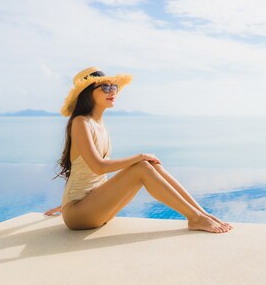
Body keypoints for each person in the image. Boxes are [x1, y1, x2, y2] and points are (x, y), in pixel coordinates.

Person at [43, 66, 233, 233]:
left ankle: (201, 213)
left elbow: (93, 178)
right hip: (79, 214)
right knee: (142, 165)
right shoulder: (80, 122)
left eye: (114, 87)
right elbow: (98, 167)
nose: (113, 91)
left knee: (148, 164)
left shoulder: (99, 124)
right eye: (105, 87)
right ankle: (195, 218)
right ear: (87, 93)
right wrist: (138, 156)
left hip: (92, 205)